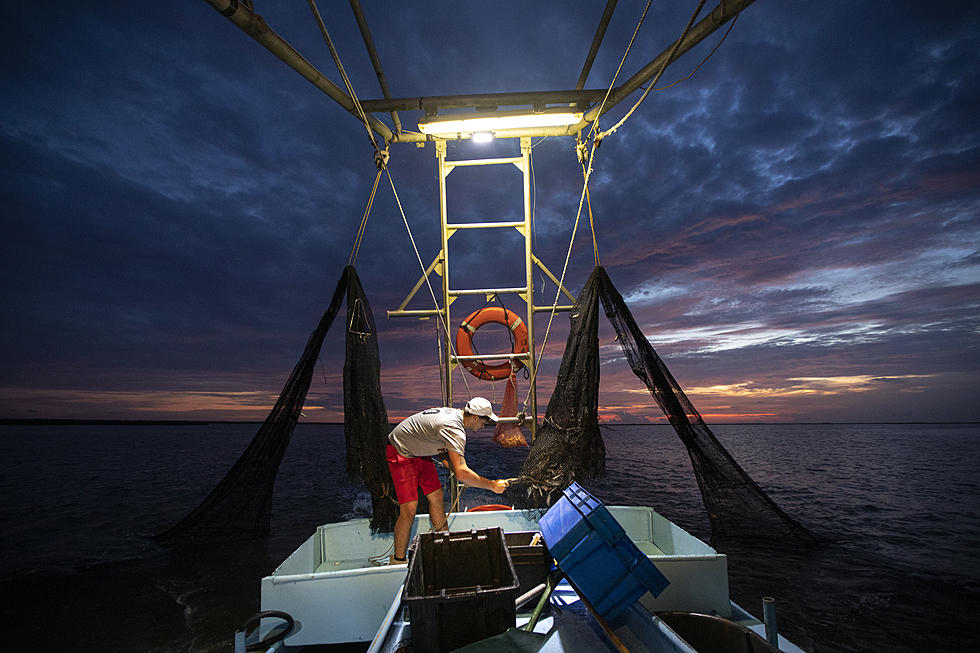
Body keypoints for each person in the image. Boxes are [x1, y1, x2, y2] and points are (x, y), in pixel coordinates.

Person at [385, 397, 510, 564]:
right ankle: (398, 560)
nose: (483, 426)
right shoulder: (454, 429)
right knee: (409, 508)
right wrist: (492, 485)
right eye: (484, 422)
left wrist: (458, 471)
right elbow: (462, 473)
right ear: (474, 418)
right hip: (400, 450)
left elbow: (441, 447)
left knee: (436, 497)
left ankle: (445, 548)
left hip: (418, 452)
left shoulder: (455, 415)